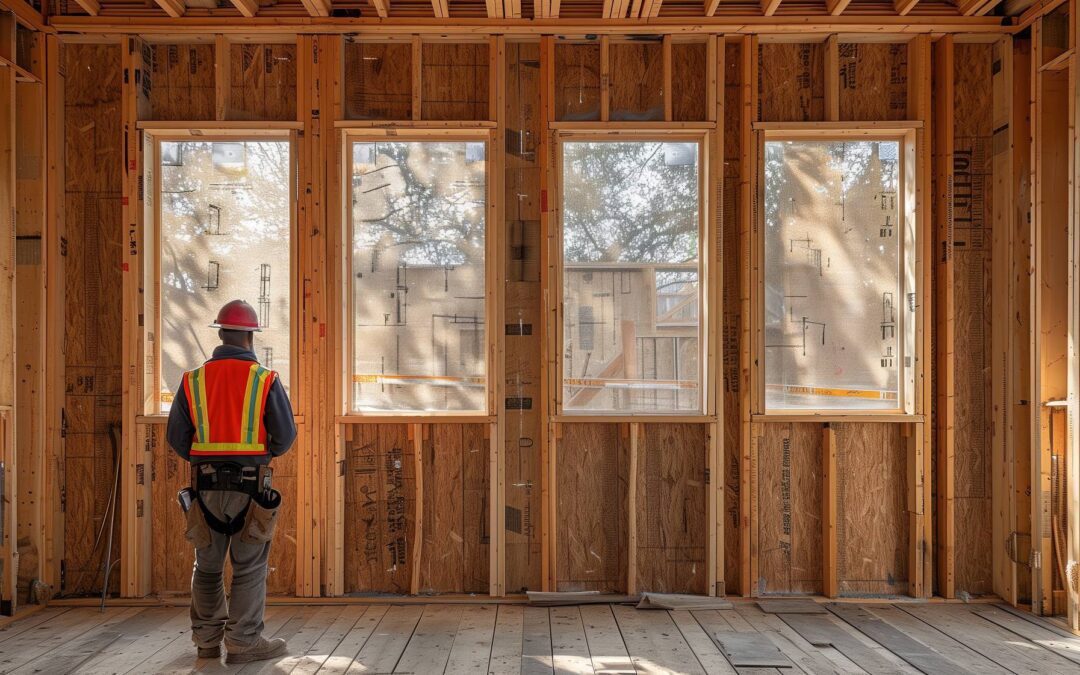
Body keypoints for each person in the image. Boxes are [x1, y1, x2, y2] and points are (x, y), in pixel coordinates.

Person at [166, 299, 297, 664]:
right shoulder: (264, 379)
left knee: (206, 565)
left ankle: (206, 643)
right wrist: (257, 453)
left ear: (220, 334)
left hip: (204, 490)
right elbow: (285, 438)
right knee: (249, 565)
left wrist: (206, 457)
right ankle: (243, 643)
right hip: (250, 488)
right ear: (250, 338)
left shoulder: (192, 381)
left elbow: (177, 438)